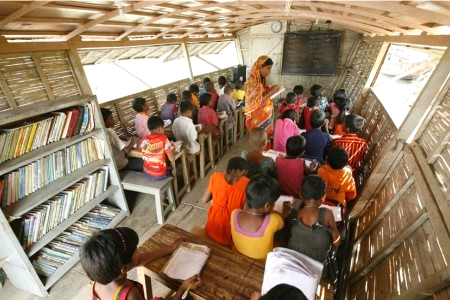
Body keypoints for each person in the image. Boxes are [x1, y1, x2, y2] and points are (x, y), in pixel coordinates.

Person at [80, 227, 201, 300]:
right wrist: (182, 289)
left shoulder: (100, 278)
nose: (139, 252)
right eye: (136, 250)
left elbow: (138, 260)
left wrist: (169, 249)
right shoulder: (130, 295)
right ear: (125, 268)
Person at [287, 175, 340, 280]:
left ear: (301, 195)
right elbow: (337, 241)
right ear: (323, 197)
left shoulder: (296, 214)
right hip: (316, 265)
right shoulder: (327, 214)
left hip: (295, 260)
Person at [230, 174, 285, 260]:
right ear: (267, 206)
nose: (274, 205)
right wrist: (283, 210)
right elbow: (282, 223)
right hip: (263, 260)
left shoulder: (234, 214)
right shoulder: (274, 220)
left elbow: (245, 209)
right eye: (273, 203)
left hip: (239, 251)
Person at [202, 157, 249, 246]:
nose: (246, 174)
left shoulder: (215, 176)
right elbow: (245, 213)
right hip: (230, 233)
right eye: (245, 171)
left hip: (212, 227)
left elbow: (204, 200)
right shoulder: (246, 183)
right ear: (239, 171)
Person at [244, 55, 280, 149]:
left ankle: (265, 152)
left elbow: (262, 93)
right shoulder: (253, 82)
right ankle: (261, 154)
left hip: (264, 115)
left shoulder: (261, 78)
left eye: (270, 69)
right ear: (260, 67)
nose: (269, 71)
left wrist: (270, 89)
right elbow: (257, 101)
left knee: (265, 137)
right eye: (268, 69)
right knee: (259, 138)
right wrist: (271, 92)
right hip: (257, 116)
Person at [101, 108, 143, 172]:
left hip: (112, 165)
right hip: (122, 164)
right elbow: (126, 151)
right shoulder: (110, 133)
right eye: (111, 118)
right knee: (147, 164)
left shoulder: (102, 132)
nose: (113, 120)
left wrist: (119, 138)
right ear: (104, 122)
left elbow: (112, 141)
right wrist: (133, 142)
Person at [139, 115, 175, 180]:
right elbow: (172, 159)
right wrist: (171, 147)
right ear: (159, 129)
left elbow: (140, 149)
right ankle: (169, 187)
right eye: (163, 128)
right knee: (171, 168)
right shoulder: (164, 138)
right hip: (160, 174)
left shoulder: (144, 139)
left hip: (147, 173)